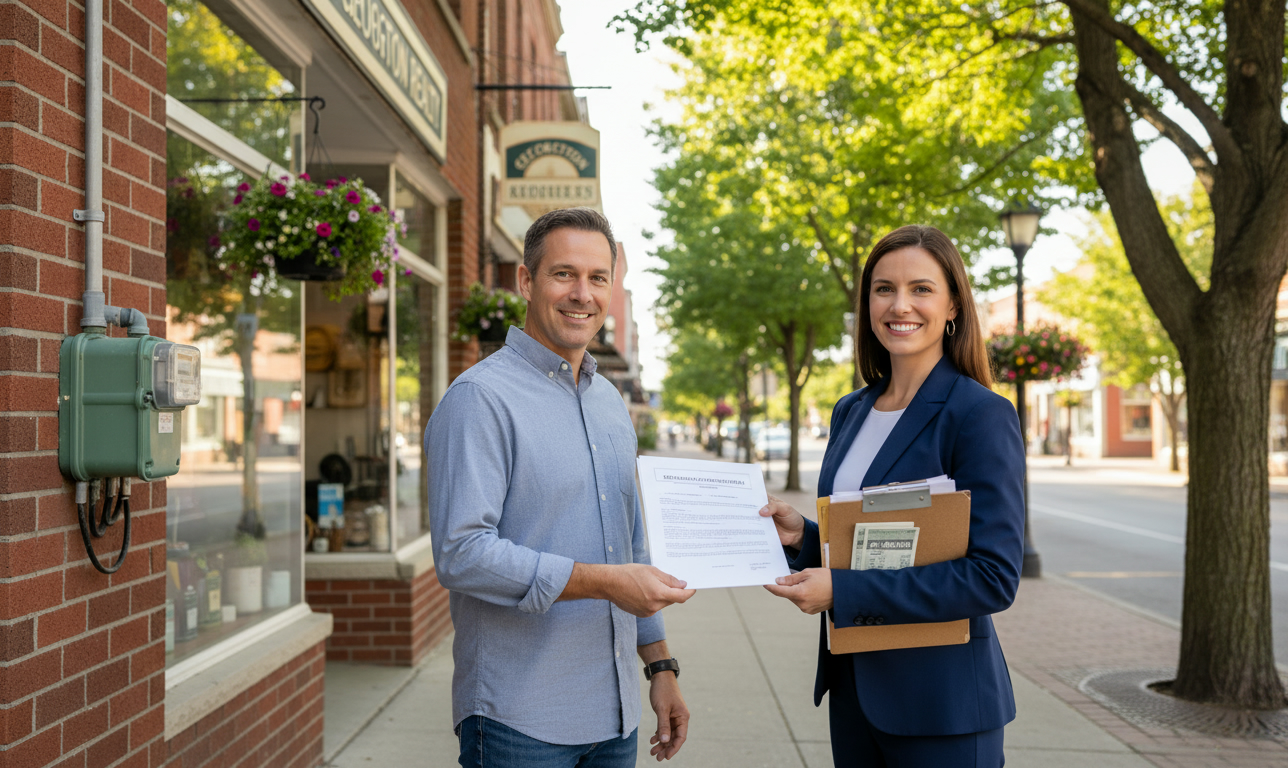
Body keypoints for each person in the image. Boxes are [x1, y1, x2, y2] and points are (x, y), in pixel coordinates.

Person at [426, 207, 695, 767]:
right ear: (526, 281)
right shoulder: (479, 400)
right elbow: (461, 553)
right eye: (563, 274)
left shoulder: (609, 403)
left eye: (598, 278)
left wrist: (661, 666)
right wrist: (603, 583)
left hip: (615, 713)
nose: (583, 294)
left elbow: (631, 549)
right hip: (518, 718)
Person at [760, 224, 1025, 767]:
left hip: (941, 705)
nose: (899, 304)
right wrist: (805, 539)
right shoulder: (851, 411)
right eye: (883, 289)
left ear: (953, 305)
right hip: (856, 693)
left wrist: (844, 592)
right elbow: (870, 542)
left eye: (921, 289)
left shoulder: (978, 415)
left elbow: (992, 577)